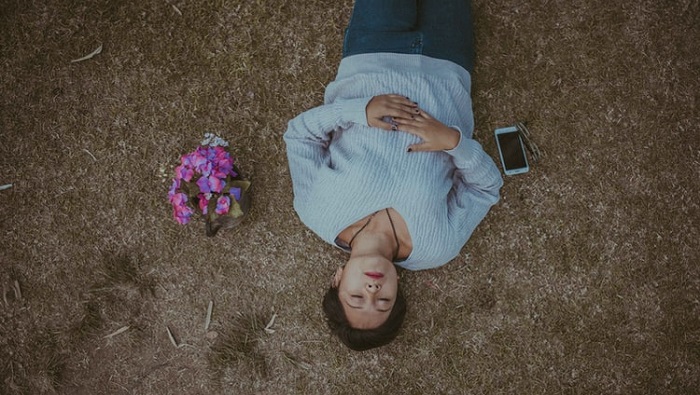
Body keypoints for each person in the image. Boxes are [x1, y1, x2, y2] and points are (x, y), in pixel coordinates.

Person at [283, 0, 503, 351]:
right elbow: (485, 188)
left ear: (337, 280)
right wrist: (453, 142)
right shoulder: (437, 248)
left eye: (356, 297)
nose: (372, 291)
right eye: (383, 302)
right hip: (447, 61)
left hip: (372, 50)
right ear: (397, 292)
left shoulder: (315, 212)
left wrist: (361, 110)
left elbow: (300, 135)